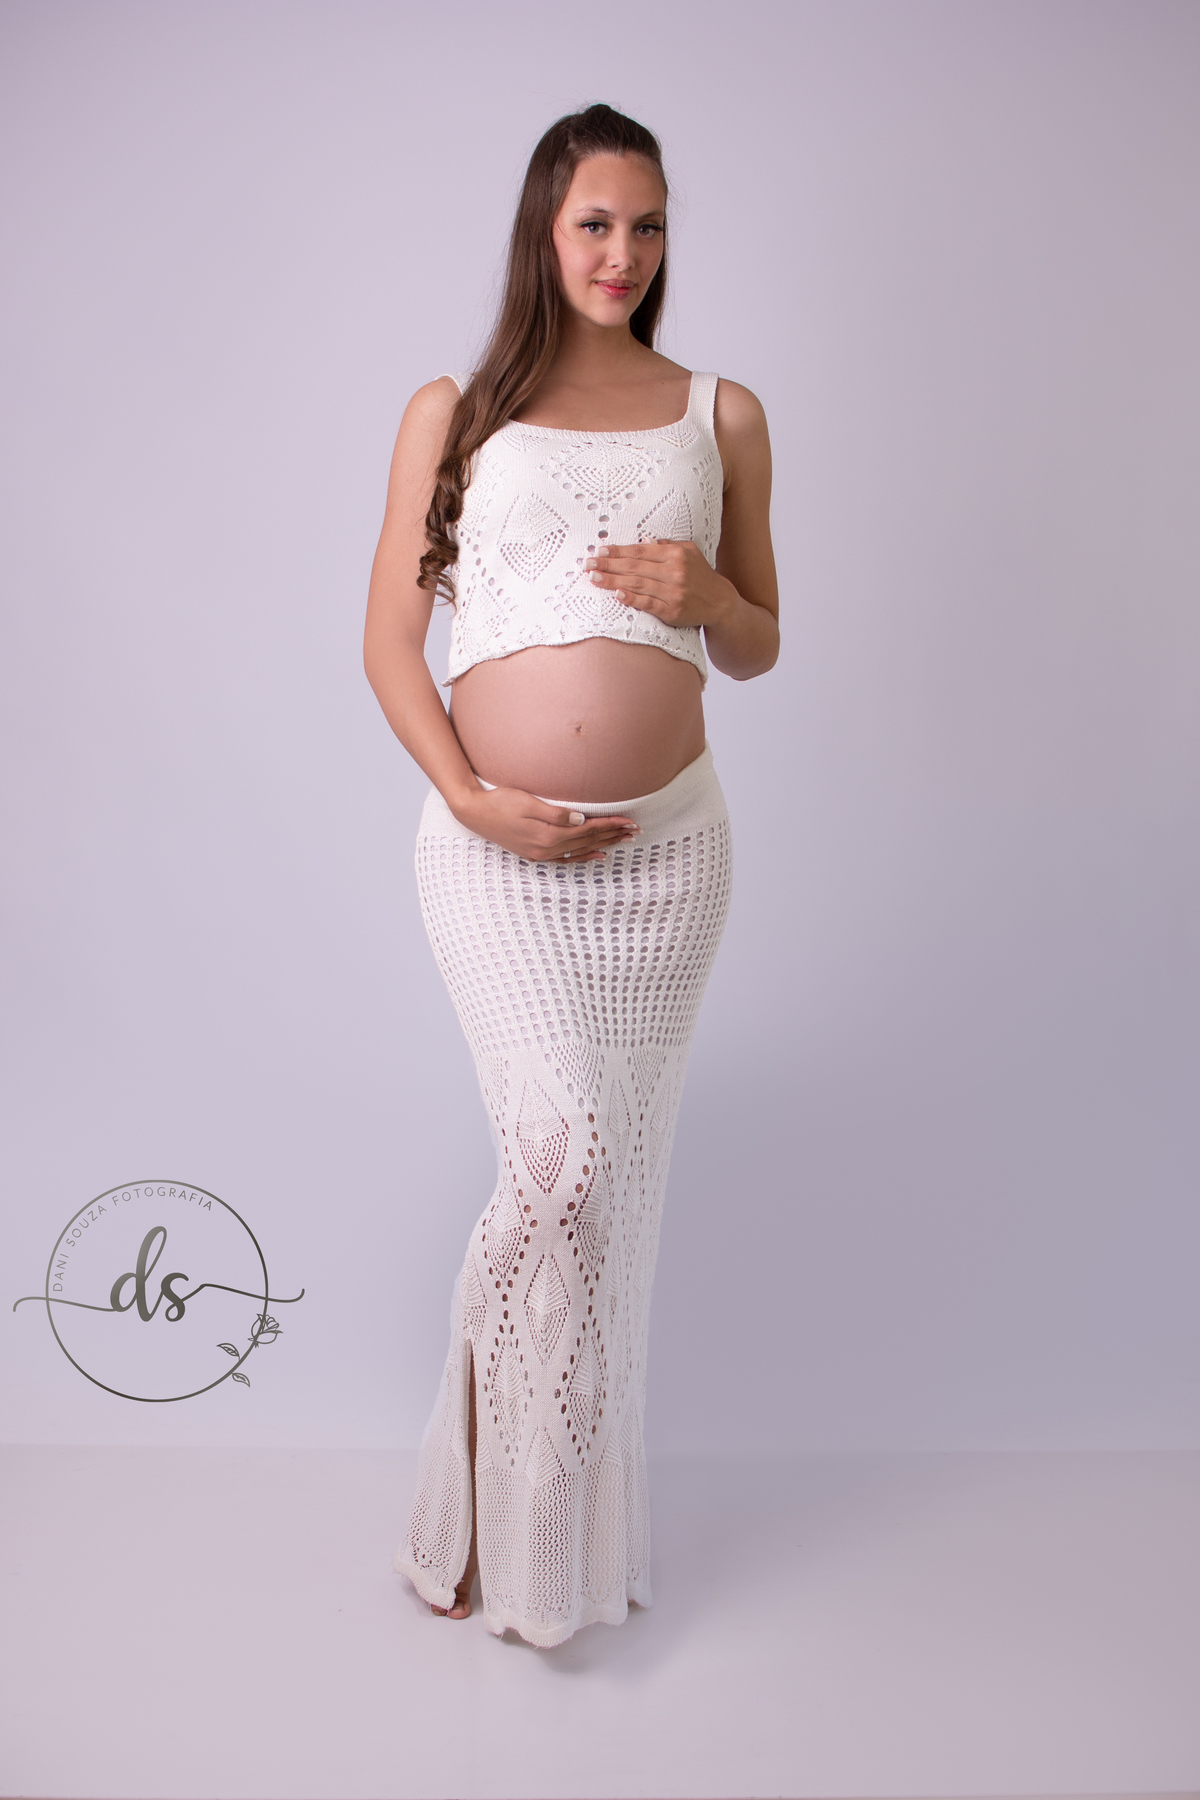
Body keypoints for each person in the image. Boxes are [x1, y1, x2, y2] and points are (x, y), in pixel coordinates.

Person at [364, 103, 779, 1648]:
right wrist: (474, 798)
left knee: (602, 1197)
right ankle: (479, 1488)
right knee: (564, 1163)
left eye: (649, 224)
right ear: (545, 230)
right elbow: (387, 646)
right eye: (597, 222)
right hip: (495, 859)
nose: (625, 252)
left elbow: (760, 644)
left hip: (669, 860)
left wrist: (709, 591)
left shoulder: (720, 414)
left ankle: (519, 1525)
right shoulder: (456, 410)